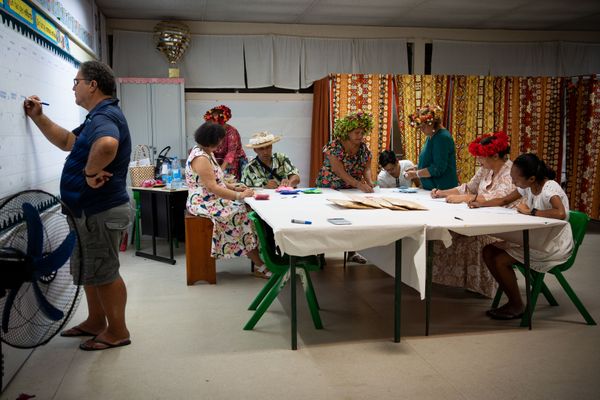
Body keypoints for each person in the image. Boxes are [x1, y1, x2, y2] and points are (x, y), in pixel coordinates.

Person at [24, 61, 132, 351]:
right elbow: (68, 142)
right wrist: (39, 117)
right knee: (91, 270)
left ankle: (118, 331)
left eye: (77, 81)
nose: (74, 87)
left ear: (92, 85)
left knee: (104, 271)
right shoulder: (94, 118)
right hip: (87, 210)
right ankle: (96, 322)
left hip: (100, 209)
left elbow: (108, 145)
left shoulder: (105, 116)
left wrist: (88, 173)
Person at [473, 153, 574, 319]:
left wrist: (532, 212)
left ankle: (516, 304)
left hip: (552, 245)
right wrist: (480, 203)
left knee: (500, 260)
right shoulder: (527, 186)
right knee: (488, 251)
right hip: (538, 239)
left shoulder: (550, 188)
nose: (513, 182)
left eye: (516, 179)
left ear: (532, 178)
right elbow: (504, 200)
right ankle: (513, 299)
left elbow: (561, 213)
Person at [429, 131, 517, 297]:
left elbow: (500, 198)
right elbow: (468, 187)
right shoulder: (485, 170)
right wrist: (443, 193)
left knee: (474, 239)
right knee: (449, 233)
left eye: (482, 157)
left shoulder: (510, 172)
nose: (479, 160)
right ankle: (461, 281)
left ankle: (481, 285)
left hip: (501, 227)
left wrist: (466, 198)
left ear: (496, 156)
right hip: (481, 217)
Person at [186, 121, 270, 278]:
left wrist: (235, 188)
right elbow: (214, 188)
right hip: (203, 202)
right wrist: (239, 196)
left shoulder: (206, 153)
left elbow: (219, 181)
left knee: (247, 210)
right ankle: (259, 264)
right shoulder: (201, 158)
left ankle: (258, 257)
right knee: (241, 214)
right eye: (220, 139)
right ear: (213, 139)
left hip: (210, 198)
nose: (221, 143)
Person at [316, 111, 374, 264]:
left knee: (353, 219)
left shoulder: (363, 148)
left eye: (362, 132)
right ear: (346, 132)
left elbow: (367, 167)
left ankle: (352, 252)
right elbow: (338, 170)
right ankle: (319, 253)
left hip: (351, 188)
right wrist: (358, 184)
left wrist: (369, 181)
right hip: (330, 187)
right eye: (356, 132)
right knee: (325, 219)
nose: (360, 136)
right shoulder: (335, 146)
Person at [404, 104, 458, 190]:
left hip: (442, 189)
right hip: (431, 189)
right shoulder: (431, 136)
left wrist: (415, 174)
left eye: (423, 126)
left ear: (432, 123)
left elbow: (437, 168)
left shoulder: (442, 138)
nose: (421, 130)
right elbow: (429, 161)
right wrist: (417, 167)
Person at [203, 105, 248, 180]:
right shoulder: (212, 131)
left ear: (224, 121)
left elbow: (231, 153)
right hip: (218, 163)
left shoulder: (232, 132)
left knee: (229, 183)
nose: (217, 127)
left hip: (232, 163)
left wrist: (220, 171)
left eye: (219, 124)